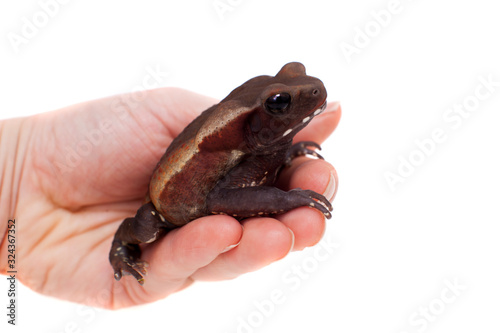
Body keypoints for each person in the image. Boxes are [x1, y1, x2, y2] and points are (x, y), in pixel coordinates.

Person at [0, 88, 340, 309]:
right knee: (145, 226)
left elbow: (247, 170)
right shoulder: (238, 140)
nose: (309, 90)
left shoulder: (257, 145)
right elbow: (222, 198)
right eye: (280, 103)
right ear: (254, 121)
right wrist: (287, 199)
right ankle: (121, 243)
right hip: (169, 208)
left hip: (225, 174)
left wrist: (289, 153)